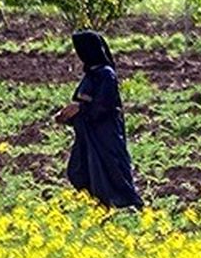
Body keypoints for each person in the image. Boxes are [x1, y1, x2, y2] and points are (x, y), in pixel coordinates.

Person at [54, 30, 143, 209]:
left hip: (105, 134)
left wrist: (80, 108)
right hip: (88, 135)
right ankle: (98, 206)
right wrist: (67, 115)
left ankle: (129, 206)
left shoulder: (106, 75)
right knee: (79, 171)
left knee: (112, 171)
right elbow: (82, 102)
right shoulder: (91, 75)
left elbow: (104, 105)